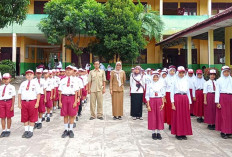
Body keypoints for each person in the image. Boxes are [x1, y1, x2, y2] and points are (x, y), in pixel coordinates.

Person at [171, 66, 192, 140]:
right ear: (178, 73)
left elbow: (188, 92)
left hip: (185, 98)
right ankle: (178, 133)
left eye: (183, 73)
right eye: (180, 73)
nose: (181, 74)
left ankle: (184, 133)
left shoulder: (186, 80)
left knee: (185, 116)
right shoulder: (174, 81)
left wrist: (189, 103)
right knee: (178, 116)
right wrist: (172, 103)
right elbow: (172, 92)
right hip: (177, 98)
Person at [59, 65, 80, 138]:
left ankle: (70, 130)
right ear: (65, 71)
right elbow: (60, 91)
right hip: (64, 97)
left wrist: (75, 101)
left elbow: (76, 91)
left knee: (71, 114)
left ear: (72, 71)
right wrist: (60, 101)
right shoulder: (62, 80)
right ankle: (66, 129)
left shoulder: (75, 80)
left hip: (72, 97)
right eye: (67, 70)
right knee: (65, 114)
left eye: (70, 70)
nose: (68, 71)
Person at [18, 70, 41, 138]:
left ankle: (30, 131)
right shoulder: (23, 83)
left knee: (32, 116)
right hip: (24, 102)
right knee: (25, 116)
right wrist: (19, 103)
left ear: (33, 75)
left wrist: (37, 102)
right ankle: (26, 131)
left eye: (30, 74)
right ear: (26, 76)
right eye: (27, 74)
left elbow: (38, 94)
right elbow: (19, 94)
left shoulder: (36, 83)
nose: (29, 76)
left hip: (32, 102)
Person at [146, 71, 165, 140]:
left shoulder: (161, 85)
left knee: (159, 116)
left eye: (157, 77)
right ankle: (153, 132)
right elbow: (147, 95)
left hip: (159, 101)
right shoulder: (149, 85)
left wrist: (163, 103)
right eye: (154, 77)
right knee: (152, 117)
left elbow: (163, 95)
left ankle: (159, 132)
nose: (155, 78)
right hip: (152, 101)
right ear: (152, 77)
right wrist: (148, 105)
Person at [215, 66, 232, 139]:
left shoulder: (231, 79)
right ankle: (223, 131)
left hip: (230, 97)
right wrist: (217, 102)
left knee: (230, 115)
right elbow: (217, 91)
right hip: (223, 98)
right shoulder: (219, 80)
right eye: (225, 71)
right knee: (223, 115)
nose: (226, 73)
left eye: (228, 71)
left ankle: (229, 131)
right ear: (222, 72)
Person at [0, 73, 15, 137]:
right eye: (4, 79)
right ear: (2, 80)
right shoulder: (1, 87)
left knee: (9, 117)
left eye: (7, 79)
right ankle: (3, 130)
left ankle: (8, 130)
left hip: (9, 101)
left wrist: (12, 105)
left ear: (10, 79)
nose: (5, 80)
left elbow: (13, 97)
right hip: (1, 102)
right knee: (2, 117)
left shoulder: (12, 87)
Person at [164, 66, 176, 130]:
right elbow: (164, 88)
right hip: (168, 94)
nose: (172, 72)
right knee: (169, 109)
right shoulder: (166, 78)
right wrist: (164, 97)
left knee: (175, 109)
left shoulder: (177, 78)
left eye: (173, 71)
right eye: (171, 71)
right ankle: (170, 123)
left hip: (175, 94)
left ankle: (175, 123)